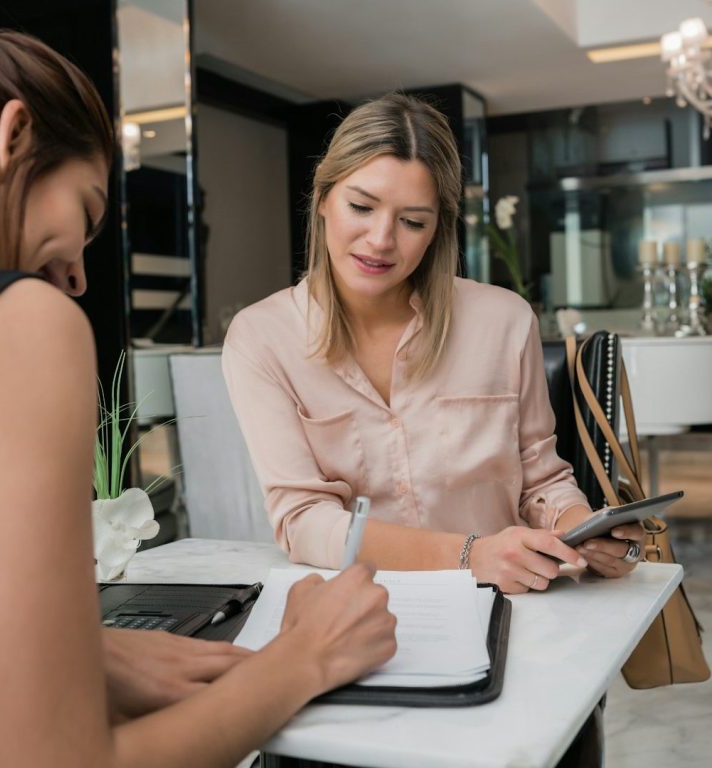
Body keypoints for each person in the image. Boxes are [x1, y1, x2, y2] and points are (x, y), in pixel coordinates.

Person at [0, 6, 396, 767]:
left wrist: (86, 653)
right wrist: (304, 660)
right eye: (85, 212)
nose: (79, 277)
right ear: (12, 136)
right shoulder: (22, 326)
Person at [222, 92, 646, 593]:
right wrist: (471, 555)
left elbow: (541, 480)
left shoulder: (504, 321)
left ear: (435, 230)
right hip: (355, 607)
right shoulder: (262, 338)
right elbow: (304, 523)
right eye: (361, 206)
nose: (381, 239)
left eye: (412, 221)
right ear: (321, 199)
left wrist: (583, 530)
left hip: (508, 601)